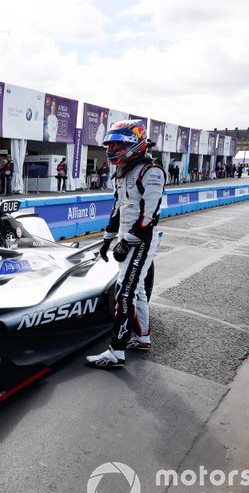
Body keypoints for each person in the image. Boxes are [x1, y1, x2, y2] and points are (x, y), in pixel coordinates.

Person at [87, 119, 165, 369]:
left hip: (141, 239)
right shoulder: (122, 172)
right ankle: (142, 338)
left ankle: (116, 350)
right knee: (137, 289)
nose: (112, 149)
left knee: (125, 292)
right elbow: (117, 209)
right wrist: (107, 240)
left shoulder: (151, 171)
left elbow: (149, 216)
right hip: (127, 238)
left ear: (135, 144)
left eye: (118, 143)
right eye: (110, 144)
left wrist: (127, 243)